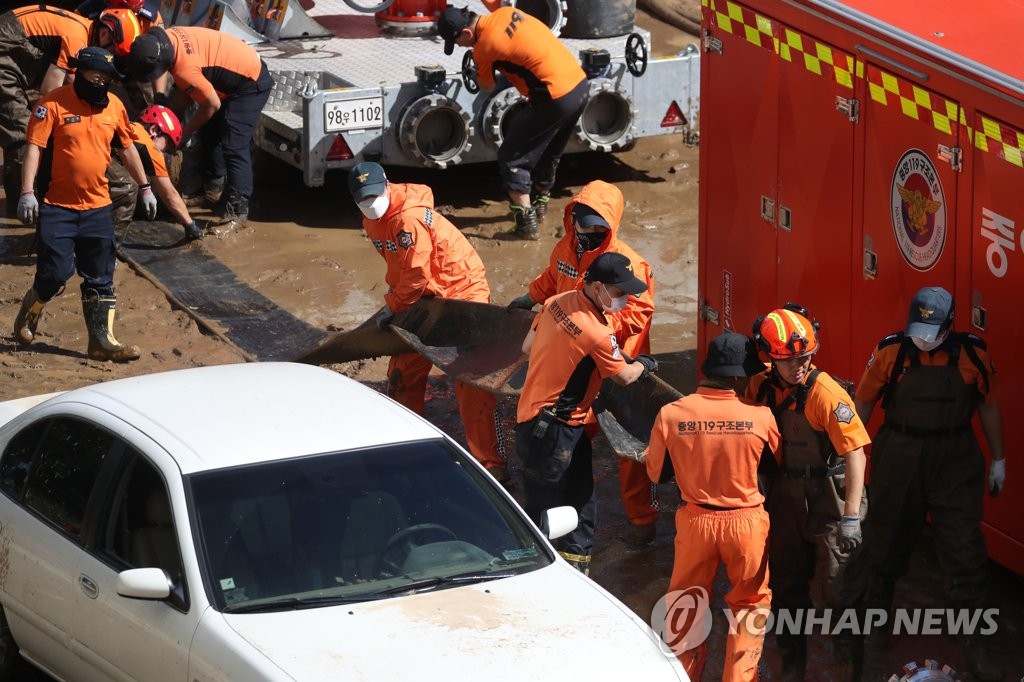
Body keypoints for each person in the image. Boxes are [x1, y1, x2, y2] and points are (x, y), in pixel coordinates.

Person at [841, 286, 1004, 681]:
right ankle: (875, 629)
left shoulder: (973, 356)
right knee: (882, 545)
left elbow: (988, 405)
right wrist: (850, 452)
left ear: (950, 327)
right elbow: (862, 403)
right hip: (899, 454)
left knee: (964, 552)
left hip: (955, 460)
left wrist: (999, 459)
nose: (924, 340)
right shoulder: (891, 353)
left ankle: (976, 645)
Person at [508, 180, 660, 547]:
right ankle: (572, 517)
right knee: (576, 439)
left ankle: (642, 522)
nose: (590, 235)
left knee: (631, 447)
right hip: (580, 361)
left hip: (615, 355)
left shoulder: (629, 266)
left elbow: (637, 314)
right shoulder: (567, 247)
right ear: (572, 221)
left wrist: (593, 329)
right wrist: (529, 296)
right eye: (585, 228)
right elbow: (552, 279)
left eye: (599, 230)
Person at [347, 161, 509, 481]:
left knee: (471, 377)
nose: (370, 204)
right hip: (422, 294)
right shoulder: (372, 219)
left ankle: (492, 464)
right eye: (363, 200)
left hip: (461, 291)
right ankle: (407, 441)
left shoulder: (408, 219)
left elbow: (417, 274)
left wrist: (393, 307)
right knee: (402, 371)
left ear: (387, 186)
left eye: (374, 196)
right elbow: (404, 271)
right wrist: (400, 301)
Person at [646, 330, 781, 681]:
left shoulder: (670, 414)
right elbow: (775, 469)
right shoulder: (762, 416)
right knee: (750, 607)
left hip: (695, 520)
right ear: (738, 377)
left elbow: (657, 474)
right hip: (746, 523)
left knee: (686, 607)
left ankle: (683, 675)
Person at [746, 303, 869, 682]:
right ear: (769, 357)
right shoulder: (760, 388)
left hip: (830, 499)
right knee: (786, 587)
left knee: (841, 591)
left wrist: (850, 519)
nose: (798, 366)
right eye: (788, 360)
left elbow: (856, 455)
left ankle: (848, 673)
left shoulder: (826, 395)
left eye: (804, 358)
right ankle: (792, 671)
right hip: (785, 496)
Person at [13, 47, 157, 363]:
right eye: (96, 76)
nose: (101, 83)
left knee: (100, 275)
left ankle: (101, 342)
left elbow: (128, 149)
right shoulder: (51, 105)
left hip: (97, 207)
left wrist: (145, 186)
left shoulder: (114, 106)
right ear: (81, 74)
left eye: (106, 78)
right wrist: (27, 193)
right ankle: (32, 307)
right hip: (57, 205)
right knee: (56, 272)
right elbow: (34, 149)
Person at [437, 5, 588, 239]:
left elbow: (487, 86)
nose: (460, 47)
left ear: (467, 33)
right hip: (579, 85)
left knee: (512, 156)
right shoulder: (506, 12)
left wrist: (481, 68)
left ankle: (526, 224)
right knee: (549, 150)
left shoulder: (483, 48)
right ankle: (540, 205)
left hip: (553, 96)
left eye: (457, 42)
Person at [125, 25, 274, 228]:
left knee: (233, 143)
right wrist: (161, 104)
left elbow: (212, 104)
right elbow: (169, 77)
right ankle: (213, 190)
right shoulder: (166, 39)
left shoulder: (185, 68)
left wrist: (185, 133)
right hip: (226, 74)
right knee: (210, 131)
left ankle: (237, 210)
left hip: (251, 82)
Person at [0, 4, 92, 211]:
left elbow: (68, 74)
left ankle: (16, 194)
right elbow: (49, 91)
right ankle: (23, 205)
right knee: (24, 134)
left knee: (21, 126)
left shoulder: (81, 24)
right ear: (105, 33)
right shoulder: (77, 37)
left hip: (11, 45)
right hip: (5, 54)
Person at [111, 104, 202, 240]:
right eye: (168, 144)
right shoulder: (148, 144)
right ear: (154, 130)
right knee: (128, 188)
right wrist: (190, 225)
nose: (165, 151)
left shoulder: (131, 128)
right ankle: (110, 247)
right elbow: (169, 193)